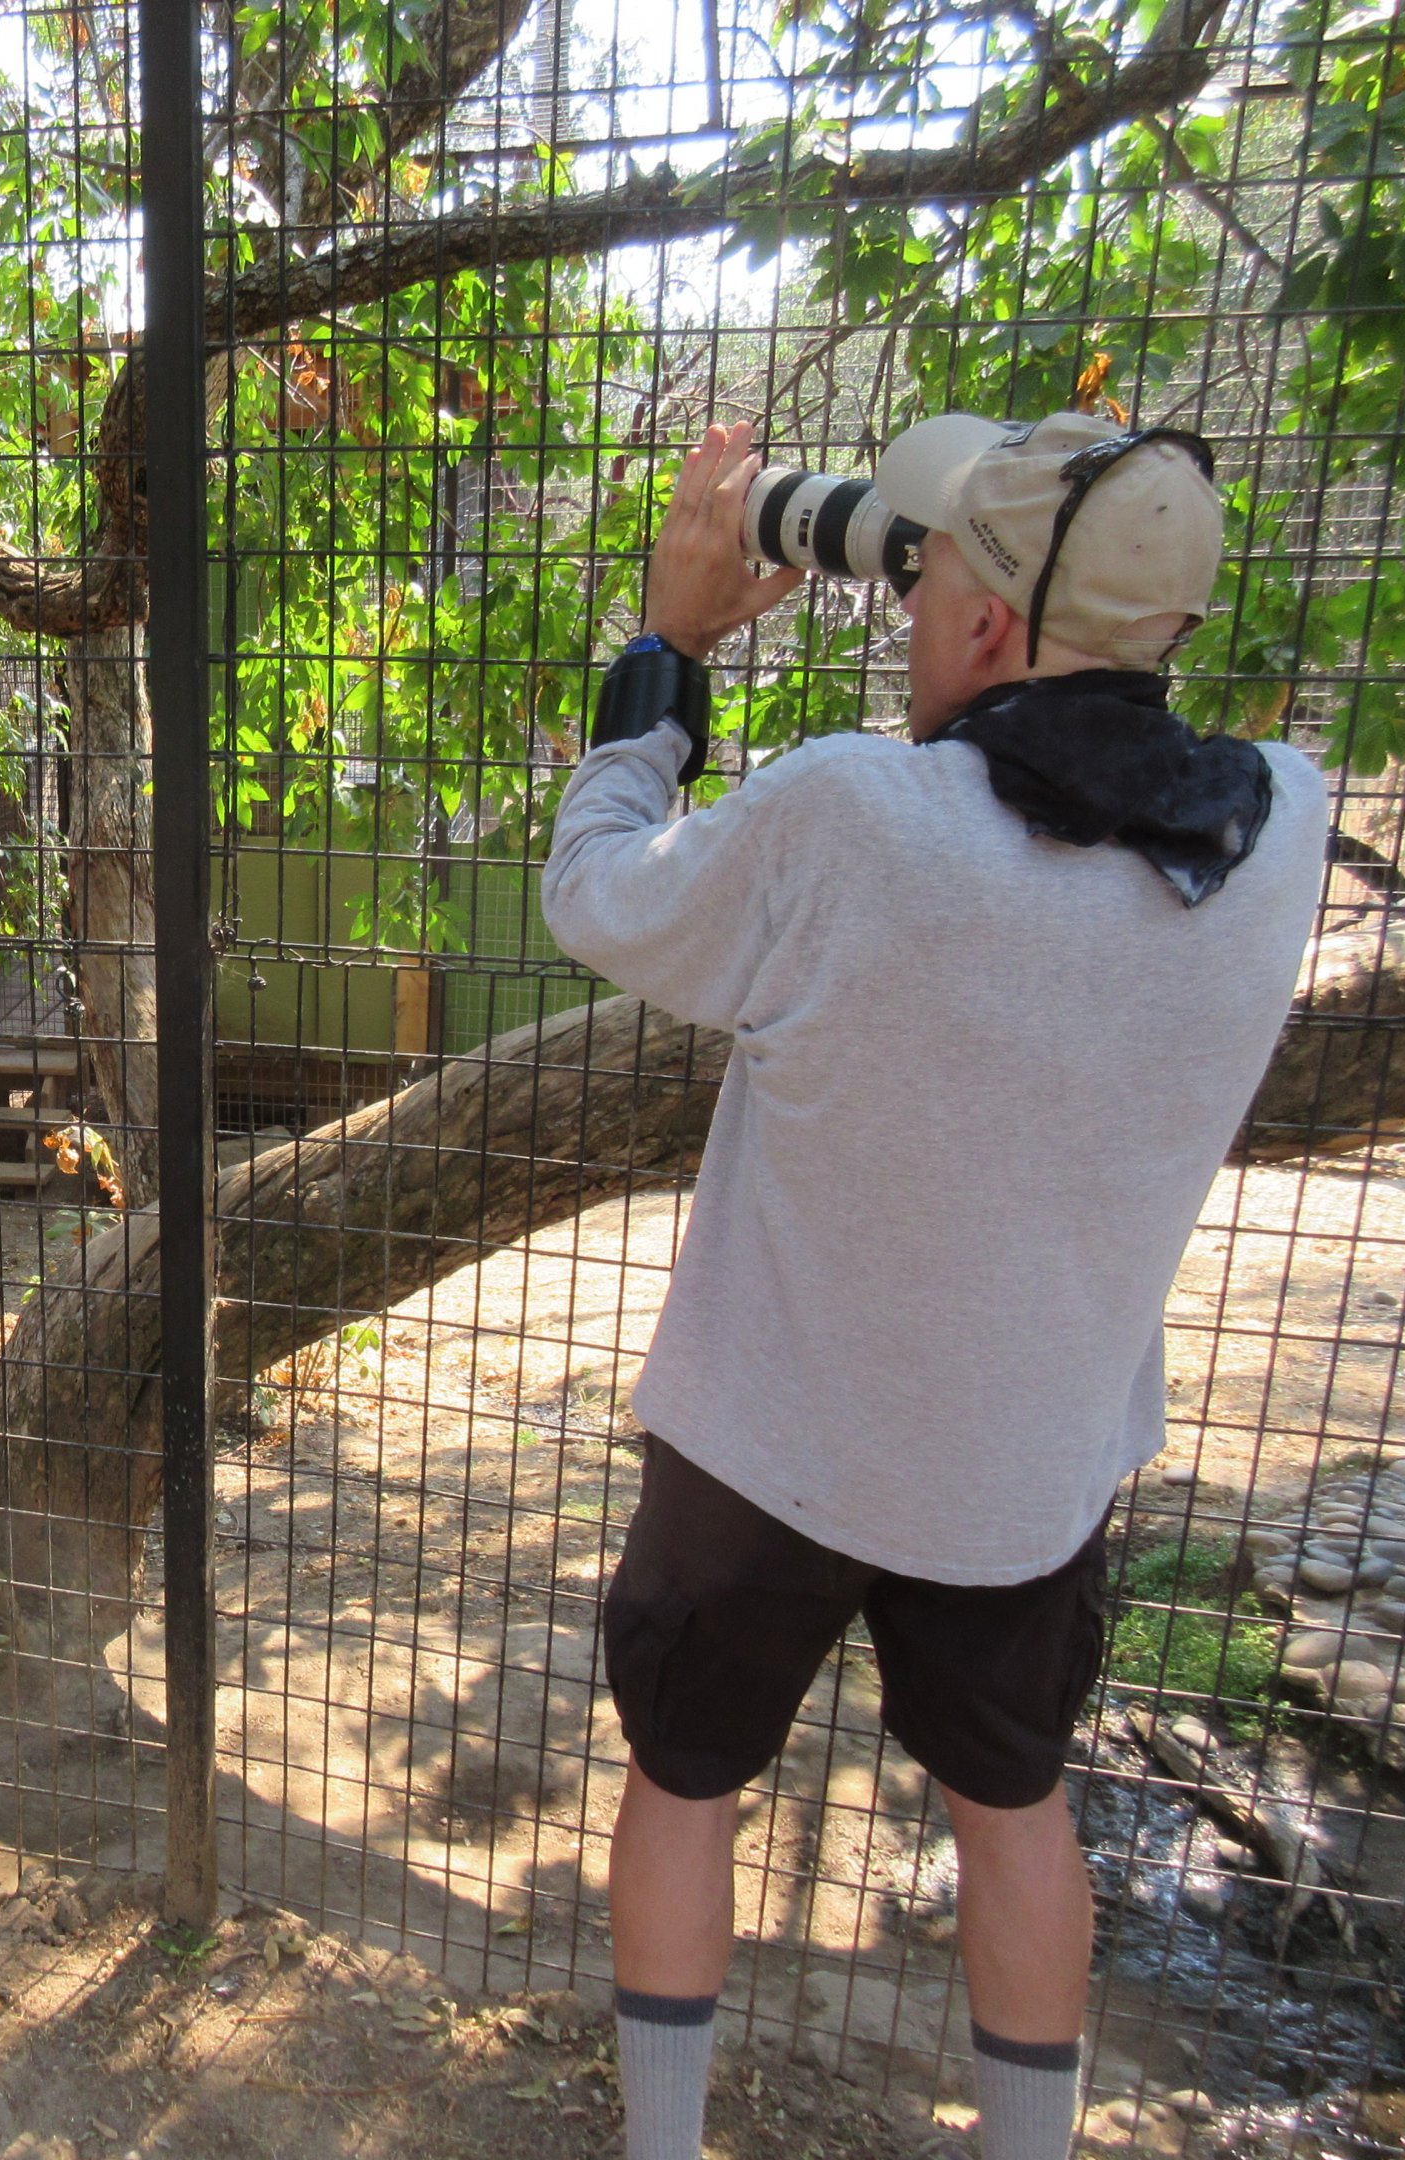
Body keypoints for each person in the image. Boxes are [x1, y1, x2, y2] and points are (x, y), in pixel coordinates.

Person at [540, 413, 1327, 2160]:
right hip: (1025, 1469)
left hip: (770, 1446)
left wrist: (665, 654)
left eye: (926, 568)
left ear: (980, 625)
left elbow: (598, 894)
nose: (900, 598)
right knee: (1016, 1805)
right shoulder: (1278, 832)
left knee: (684, 1787)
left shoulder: (854, 818)